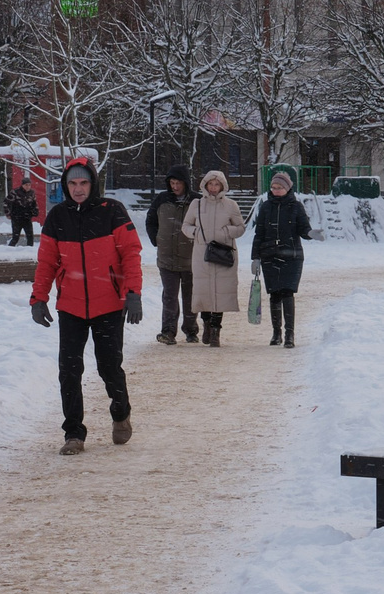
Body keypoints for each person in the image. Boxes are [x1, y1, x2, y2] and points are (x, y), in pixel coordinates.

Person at [30, 157, 142, 455]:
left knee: (108, 367)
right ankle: (74, 433)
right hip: (71, 306)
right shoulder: (57, 217)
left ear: (92, 184)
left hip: (108, 304)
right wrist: (38, 298)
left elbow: (131, 253)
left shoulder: (112, 212)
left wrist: (133, 293)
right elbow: (47, 262)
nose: (78, 189)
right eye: (72, 183)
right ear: (65, 186)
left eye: (83, 183)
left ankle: (120, 413)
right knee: (69, 369)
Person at [180, 169, 247, 346]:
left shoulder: (231, 205)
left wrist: (226, 232)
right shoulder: (197, 204)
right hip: (202, 253)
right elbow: (185, 225)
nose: (214, 187)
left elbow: (240, 228)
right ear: (205, 185)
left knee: (220, 292)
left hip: (224, 253)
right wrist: (195, 232)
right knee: (204, 292)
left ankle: (216, 329)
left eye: (217, 184)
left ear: (222, 186)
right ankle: (207, 324)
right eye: (211, 184)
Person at [249, 165, 314, 348]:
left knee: (288, 293)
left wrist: (312, 234)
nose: (276, 191)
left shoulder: (296, 206)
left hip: (292, 256)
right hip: (270, 256)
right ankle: (276, 332)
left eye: (280, 188)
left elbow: (303, 229)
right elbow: (259, 234)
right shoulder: (266, 207)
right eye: (274, 187)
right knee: (275, 294)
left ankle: (289, 334)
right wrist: (256, 257)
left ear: (287, 188)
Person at [145, 165, 198, 346]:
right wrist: (157, 239)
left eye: (178, 183)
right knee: (169, 296)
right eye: (172, 183)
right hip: (166, 257)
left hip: (191, 257)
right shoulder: (161, 199)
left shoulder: (197, 201)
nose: (175, 187)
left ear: (186, 183)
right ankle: (168, 331)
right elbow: (150, 220)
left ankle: (191, 330)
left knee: (190, 296)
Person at [6, 177, 38, 247]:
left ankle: (29, 250)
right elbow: (7, 202)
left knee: (30, 237)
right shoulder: (15, 192)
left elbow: (34, 203)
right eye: (26, 185)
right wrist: (8, 213)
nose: (28, 187)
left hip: (27, 217)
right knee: (15, 237)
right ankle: (10, 249)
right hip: (16, 217)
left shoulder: (31, 193)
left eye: (29, 185)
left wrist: (35, 211)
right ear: (22, 185)